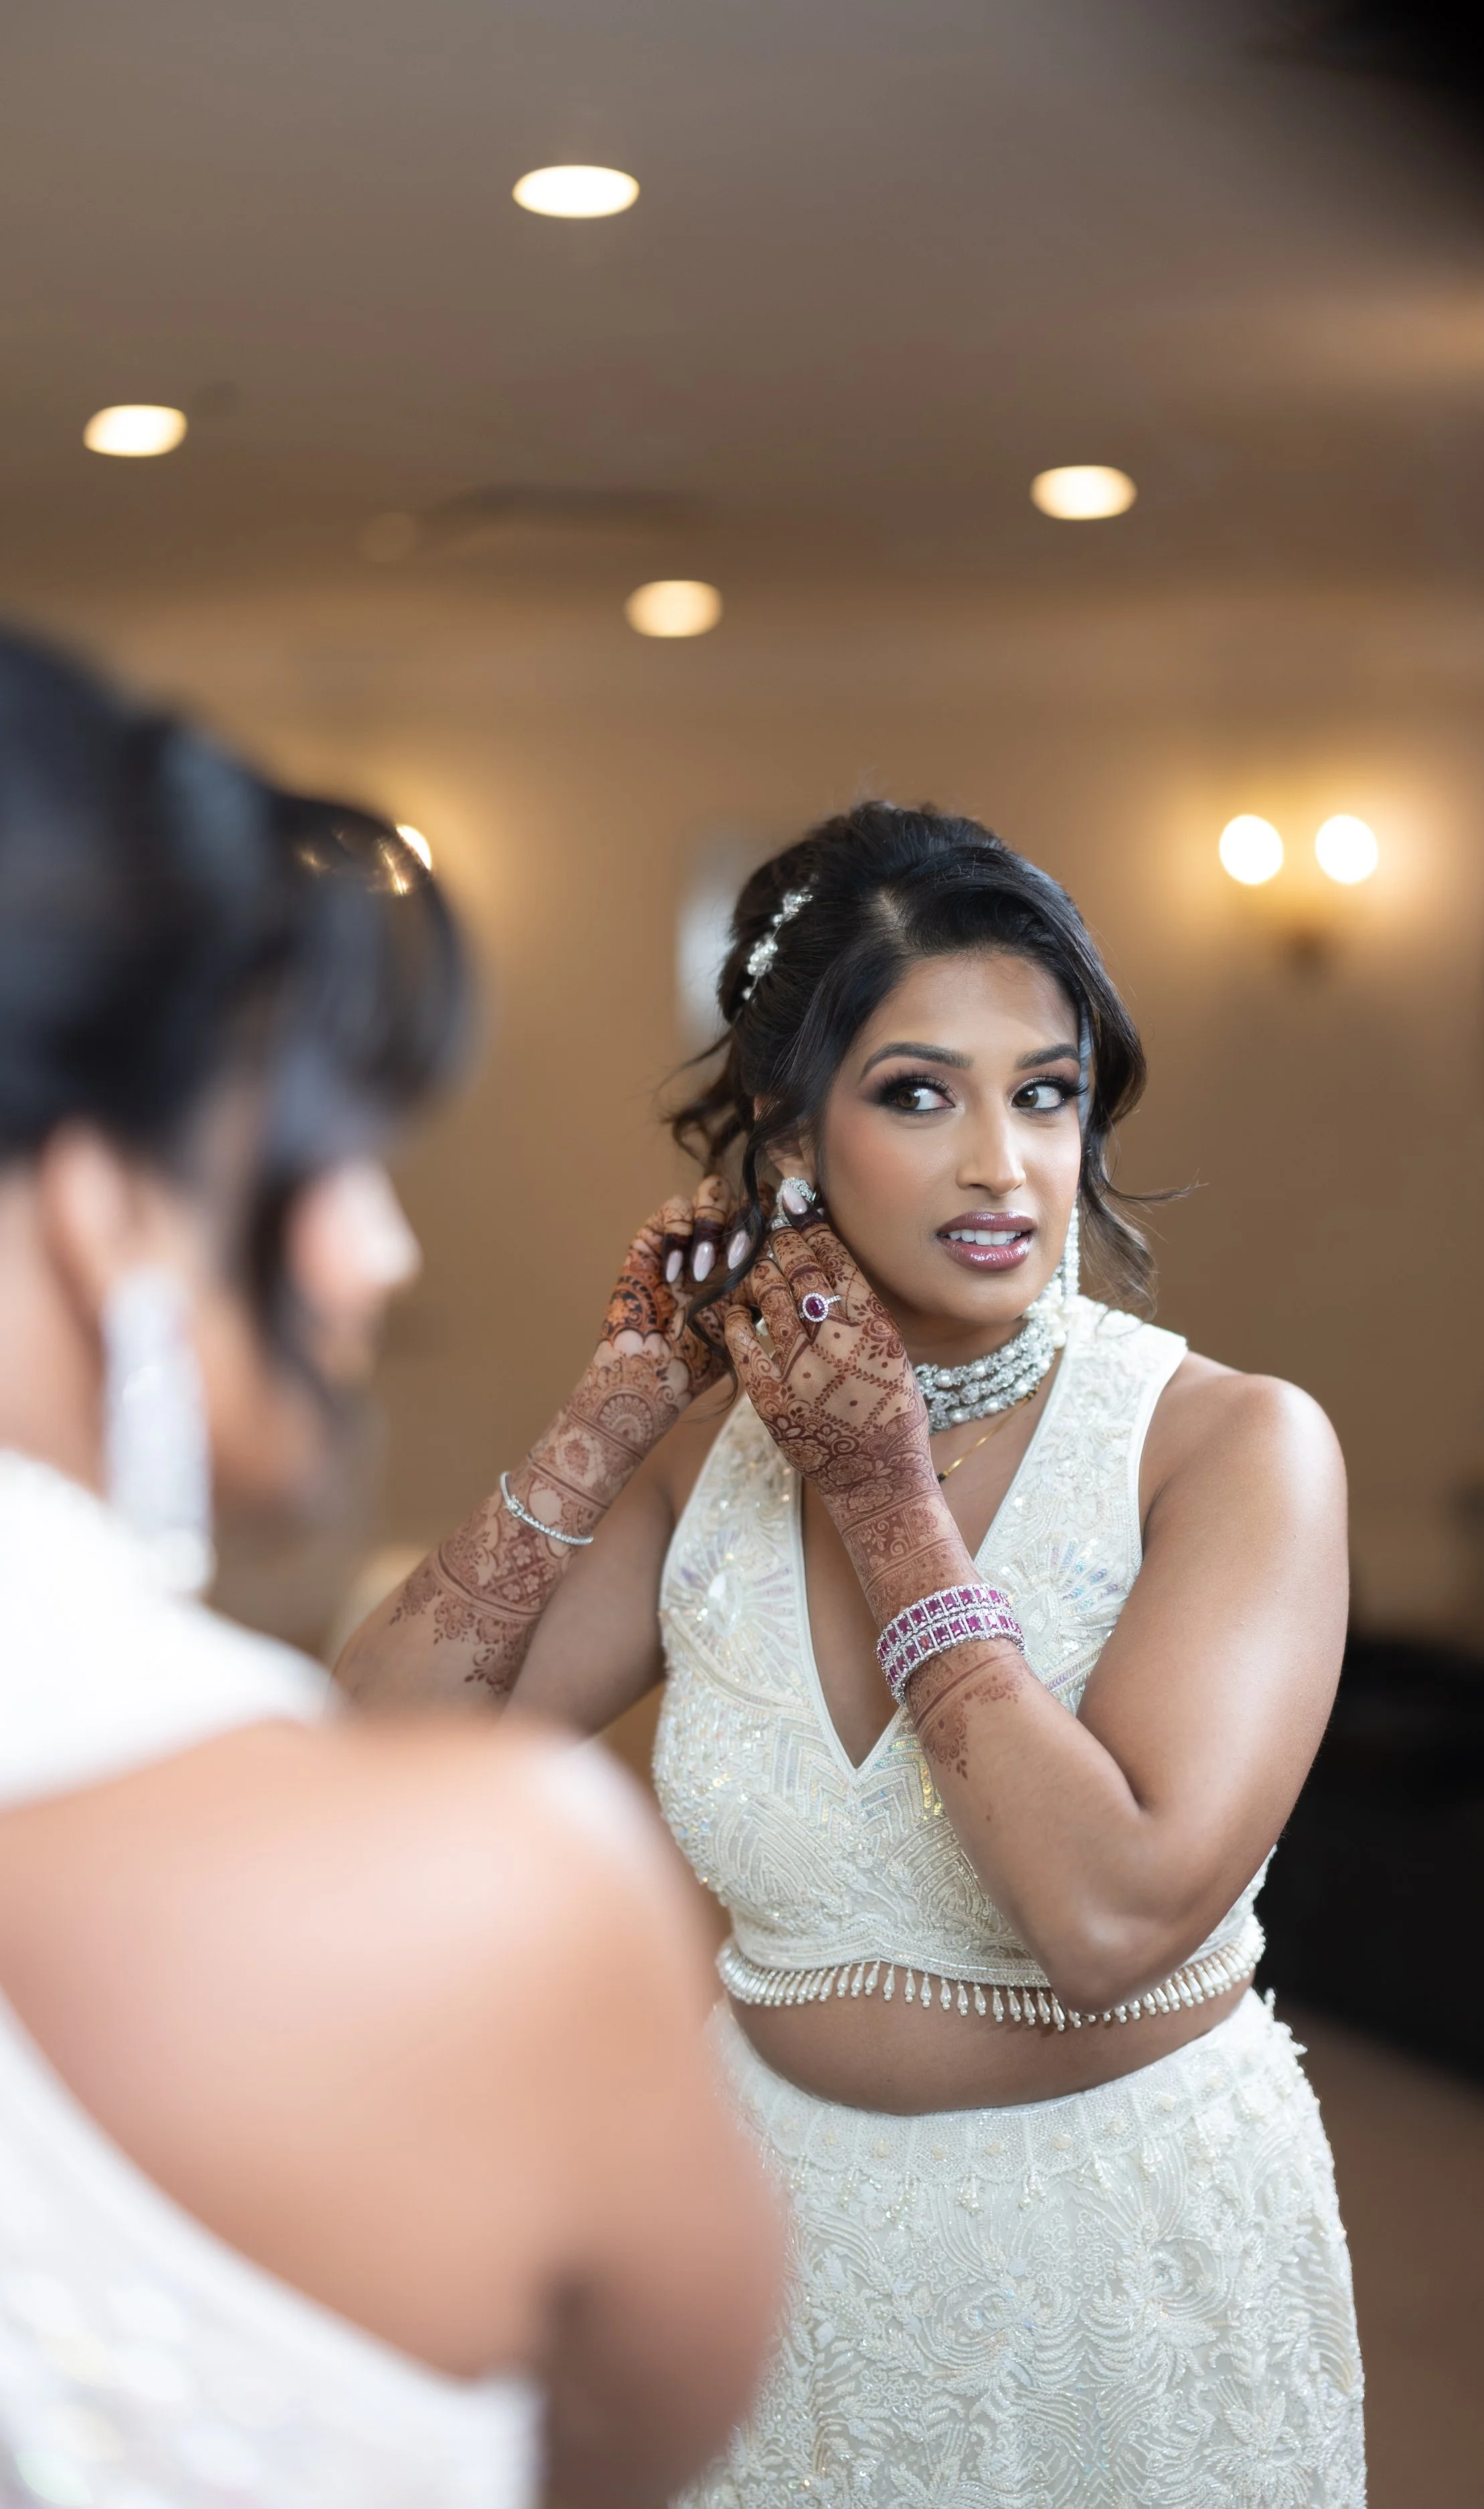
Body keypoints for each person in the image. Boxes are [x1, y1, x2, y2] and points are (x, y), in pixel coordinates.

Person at [343, 801, 1366, 2506]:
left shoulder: (1232, 1449)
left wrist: (885, 1498)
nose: (1001, 1165)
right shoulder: (705, 1462)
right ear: (791, 1133)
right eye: (918, 1092)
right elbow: (374, 1774)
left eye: (1042, 1093)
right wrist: (612, 1415)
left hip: (1113, 2262)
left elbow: (1109, 1918)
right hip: (770, 2235)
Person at [0, 632, 783, 2509]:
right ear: (105, 1192)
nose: (377, 1249)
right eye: (318, 1145)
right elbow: (622, 2441)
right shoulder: (489, 1885)